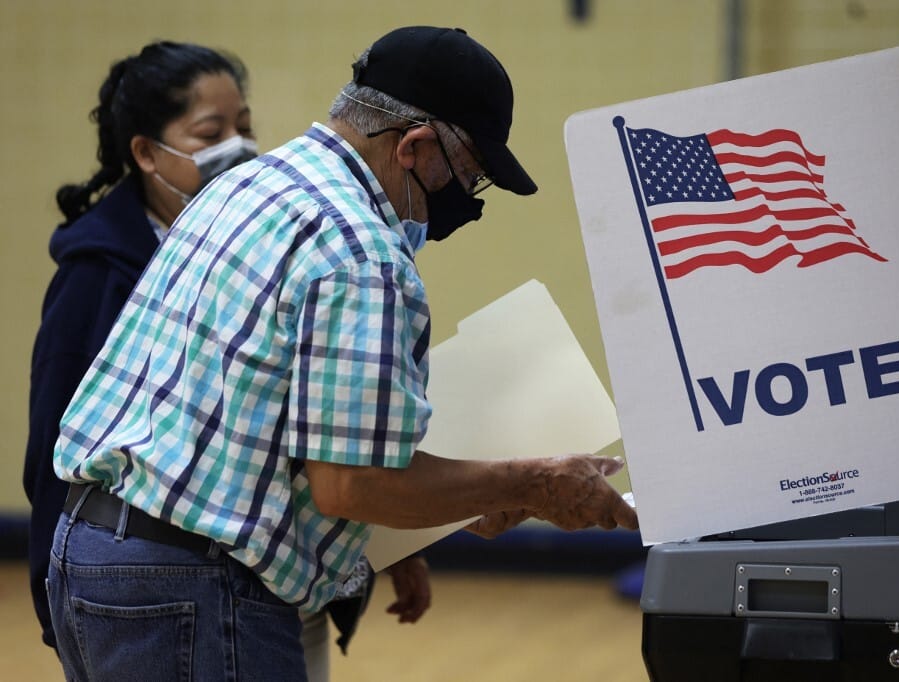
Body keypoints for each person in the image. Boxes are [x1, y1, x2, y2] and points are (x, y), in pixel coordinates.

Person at [48, 26, 638, 681]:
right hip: (196, 586)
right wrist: (536, 483)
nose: (465, 202)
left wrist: (451, 506)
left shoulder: (248, 187)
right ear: (414, 146)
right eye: (467, 176)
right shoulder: (361, 253)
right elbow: (349, 483)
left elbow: (261, 425)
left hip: (91, 556)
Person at [23, 40, 257, 654]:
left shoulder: (251, 249)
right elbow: (55, 436)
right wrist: (54, 592)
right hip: (145, 578)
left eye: (245, 126)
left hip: (257, 573)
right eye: (212, 132)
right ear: (147, 153)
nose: (239, 146)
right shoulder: (96, 273)